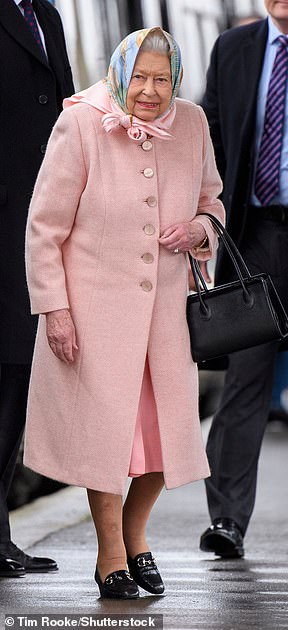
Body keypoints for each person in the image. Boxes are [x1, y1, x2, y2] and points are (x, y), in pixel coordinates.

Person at [23, 27, 225, 599]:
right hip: (94, 316)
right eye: (139, 77)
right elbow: (44, 229)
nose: (150, 91)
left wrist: (200, 230)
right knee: (106, 441)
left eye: (162, 79)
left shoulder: (192, 123)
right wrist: (54, 310)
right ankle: (111, 555)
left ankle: (137, 538)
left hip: (166, 318)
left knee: (166, 442)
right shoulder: (82, 121)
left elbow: (213, 202)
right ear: (121, 73)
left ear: (176, 80)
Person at [199, 0, 288, 559]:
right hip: (255, 241)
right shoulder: (233, 49)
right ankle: (227, 521)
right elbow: (207, 139)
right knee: (245, 382)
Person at [0, 0, 74, 578]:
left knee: (16, 380)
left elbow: (65, 111)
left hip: (37, 226)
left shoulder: (46, 14)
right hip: (4, 221)